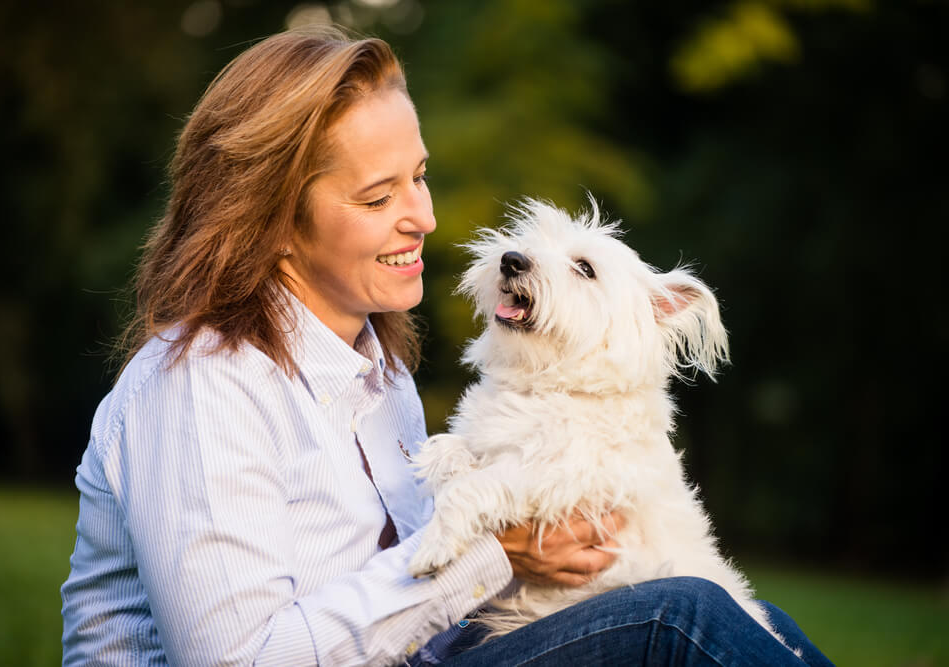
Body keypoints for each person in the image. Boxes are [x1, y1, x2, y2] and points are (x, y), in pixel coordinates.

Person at [60, 28, 833, 666]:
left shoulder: (375, 370)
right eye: (379, 196)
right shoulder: (205, 387)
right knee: (682, 624)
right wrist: (496, 551)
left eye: (419, 178)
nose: (424, 218)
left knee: (759, 621)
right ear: (271, 222)